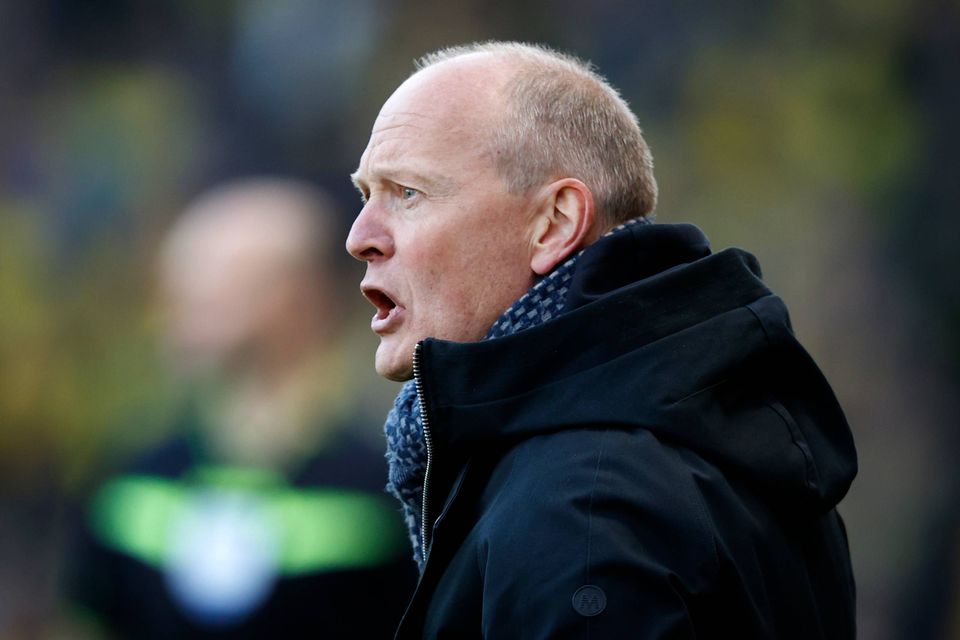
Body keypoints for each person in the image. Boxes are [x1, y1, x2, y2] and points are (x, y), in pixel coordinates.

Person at [345, 41, 857, 638]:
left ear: (555, 224)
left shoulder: (579, 508)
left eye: (407, 193)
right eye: (365, 195)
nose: (360, 237)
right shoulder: (712, 437)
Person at [66, 178, 415, 639]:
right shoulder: (132, 478)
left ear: (301, 296)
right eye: (176, 277)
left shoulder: (390, 488)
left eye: (212, 274)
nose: (177, 301)